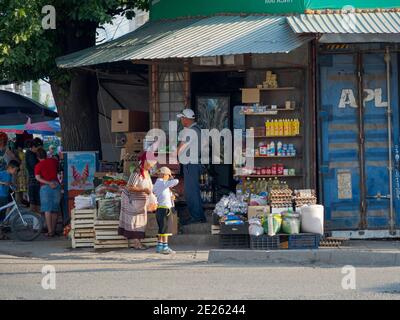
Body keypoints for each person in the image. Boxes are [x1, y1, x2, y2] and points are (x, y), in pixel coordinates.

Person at [118, 152, 157, 250]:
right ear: (144, 162)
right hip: (131, 199)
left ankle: (138, 242)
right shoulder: (136, 172)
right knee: (134, 220)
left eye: (152, 165)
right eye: (149, 164)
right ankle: (136, 243)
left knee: (140, 220)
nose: (150, 167)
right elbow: (130, 187)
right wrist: (143, 190)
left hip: (141, 200)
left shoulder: (147, 172)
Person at [177, 109, 206, 224]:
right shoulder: (198, 129)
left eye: (182, 118)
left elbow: (182, 146)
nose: (181, 120)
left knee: (191, 191)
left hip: (191, 164)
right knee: (193, 190)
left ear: (187, 119)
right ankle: (199, 216)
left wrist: (174, 154)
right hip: (195, 163)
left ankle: (196, 217)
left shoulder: (190, 132)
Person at [34, 148, 60, 237]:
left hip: (45, 187)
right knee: (55, 209)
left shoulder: (38, 165)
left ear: (37, 157)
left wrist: (48, 183)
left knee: (47, 210)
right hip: (56, 185)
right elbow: (58, 168)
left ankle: (50, 231)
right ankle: (54, 230)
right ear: (46, 154)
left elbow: (38, 178)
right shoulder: (53, 161)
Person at [153, 167, 179, 255]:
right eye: (168, 175)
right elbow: (176, 181)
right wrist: (171, 178)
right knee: (165, 229)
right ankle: (165, 247)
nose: (169, 177)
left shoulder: (158, 184)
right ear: (164, 175)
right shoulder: (163, 183)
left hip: (160, 208)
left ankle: (159, 246)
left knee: (161, 228)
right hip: (164, 209)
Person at [25, 138, 43, 213]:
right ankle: (36, 220)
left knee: (37, 200)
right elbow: (34, 166)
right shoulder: (30, 154)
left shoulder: (33, 153)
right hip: (33, 179)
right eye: (38, 148)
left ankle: (37, 220)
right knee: (34, 201)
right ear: (33, 147)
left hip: (35, 179)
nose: (39, 150)